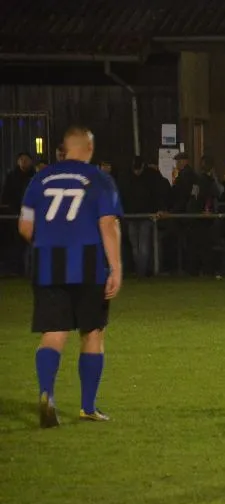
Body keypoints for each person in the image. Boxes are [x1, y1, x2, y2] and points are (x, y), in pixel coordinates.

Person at [17, 126, 123, 428]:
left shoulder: (39, 178)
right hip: (89, 265)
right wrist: (116, 267)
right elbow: (108, 224)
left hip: (48, 265)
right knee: (92, 332)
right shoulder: (99, 179)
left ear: (64, 149)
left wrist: (48, 243)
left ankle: (47, 393)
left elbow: (25, 227)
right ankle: (87, 407)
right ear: (89, 148)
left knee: (53, 333)